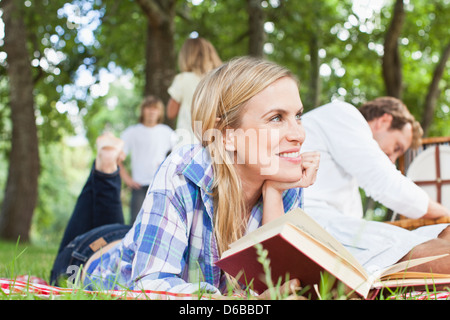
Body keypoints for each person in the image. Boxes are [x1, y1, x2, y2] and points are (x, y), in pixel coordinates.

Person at [51, 56, 319, 297]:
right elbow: (150, 286)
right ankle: (107, 165)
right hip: (92, 256)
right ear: (227, 135)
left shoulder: (283, 181)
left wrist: (273, 195)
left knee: (131, 233)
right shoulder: (185, 169)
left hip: (146, 239)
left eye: (298, 116)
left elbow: (279, 285)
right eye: (276, 118)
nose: (299, 134)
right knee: (104, 205)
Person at [300, 97, 450, 220]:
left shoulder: (346, 166)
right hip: (308, 221)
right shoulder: (344, 114)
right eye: (397, 147)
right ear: (384, 121)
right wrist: (444, 214)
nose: (392, 159)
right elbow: (386, 182)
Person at [119, 96, 177, 223]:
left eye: (155, 109)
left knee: (159, 223)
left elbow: (179, 155)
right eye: (148, 108)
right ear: (142, 111)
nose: (152, 112)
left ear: (160, 112)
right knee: (135, 223)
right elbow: (117, 159)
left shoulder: (166, 132)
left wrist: (167, 169)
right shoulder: (132, 132)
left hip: (160, 185)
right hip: (138, 187)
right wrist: (127, 180)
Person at [167, 37, 222, 148]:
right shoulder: (220, 79)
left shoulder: (183, 79)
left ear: (186, 56)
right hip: (216, 143)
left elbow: (170, 113)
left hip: (188, 143)